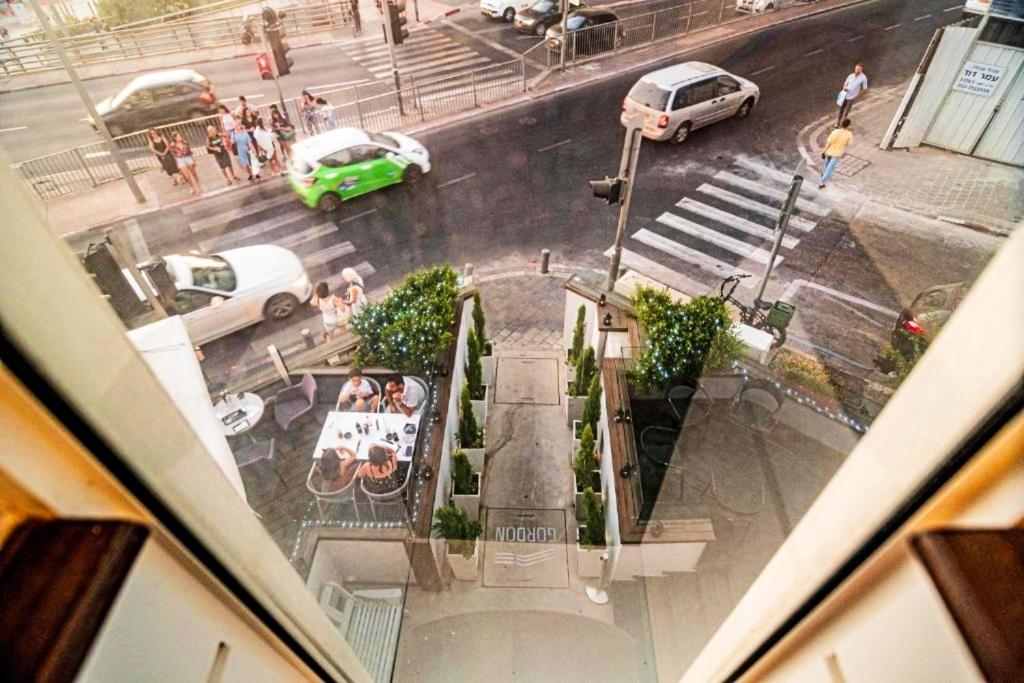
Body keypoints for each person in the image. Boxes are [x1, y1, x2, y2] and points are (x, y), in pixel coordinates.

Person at [819, 118, 853, 189]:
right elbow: (849, 144)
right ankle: (822, 182)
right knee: (830, 168)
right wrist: (845, 142)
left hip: (829, 151)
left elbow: (829, 142)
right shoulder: (849, 134)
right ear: (848, 125)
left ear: (841, 124)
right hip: (837, 153)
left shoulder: (835, 131)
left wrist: (824, 151)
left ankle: (823, 175)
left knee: (827, 164)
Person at [837, 63, 868, 127]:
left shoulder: (863, 78)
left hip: (851, 98)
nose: (857, 70)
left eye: (859, 69)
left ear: (861, 70)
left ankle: (840, 126)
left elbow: (865, 89)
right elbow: (845, 84)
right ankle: (838, 123)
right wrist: (844, 88)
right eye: (856, 69)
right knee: (841, 110)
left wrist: (856, 96)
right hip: (844, 96)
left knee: (845, 113)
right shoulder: (850, 75)